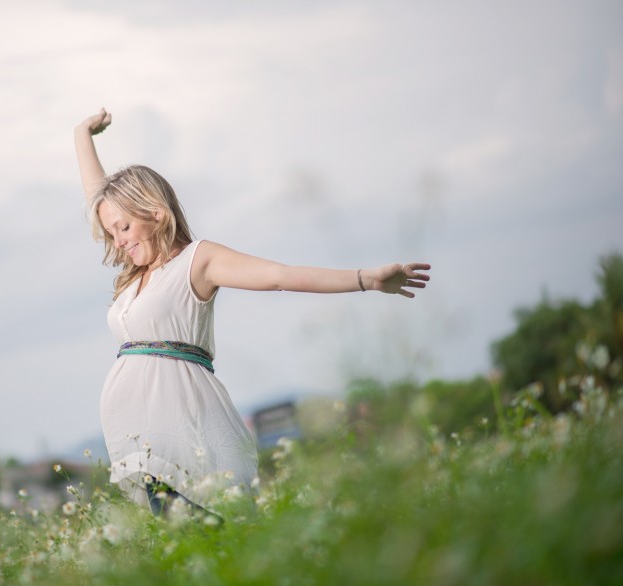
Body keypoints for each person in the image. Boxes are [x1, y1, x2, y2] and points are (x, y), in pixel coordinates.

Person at [73, 108, 431, 516]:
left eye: (123, 228)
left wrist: (366, 278)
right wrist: (81, 135)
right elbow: (98, 198)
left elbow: (279, 275)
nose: (117, 241)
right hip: (144, 444)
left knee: (213, 537)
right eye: (111, 231)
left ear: (154, 213)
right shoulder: (136, 272)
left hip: (184, 429)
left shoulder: (196, 261)